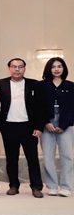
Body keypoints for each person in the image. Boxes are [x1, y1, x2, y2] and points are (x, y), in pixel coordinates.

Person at [0, 57, 45, 198]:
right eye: (14, 66)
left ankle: (36, 187)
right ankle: (13, 185)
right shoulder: (0, 84)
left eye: (20, 66)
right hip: (9, 126)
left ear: (24, 68)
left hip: (29, 126)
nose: (17, 69)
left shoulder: (34, 84)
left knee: (32, 158)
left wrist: (39, 127)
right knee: (11, 158)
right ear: (9, 68)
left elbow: (41, 107)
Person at [39, 57, 74, 197]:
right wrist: (46, 122)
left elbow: (72, 108)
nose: (56, 69)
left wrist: (64, 125)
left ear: (63, 68)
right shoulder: (41, 85)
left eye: (59, 66)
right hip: (47, 123)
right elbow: (38, 106)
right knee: (48, 156)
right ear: (49, 69)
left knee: (67, 156)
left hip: (66, 124)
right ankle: (52, 186)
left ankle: (66, 186)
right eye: (53, 67)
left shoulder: (71, 86)